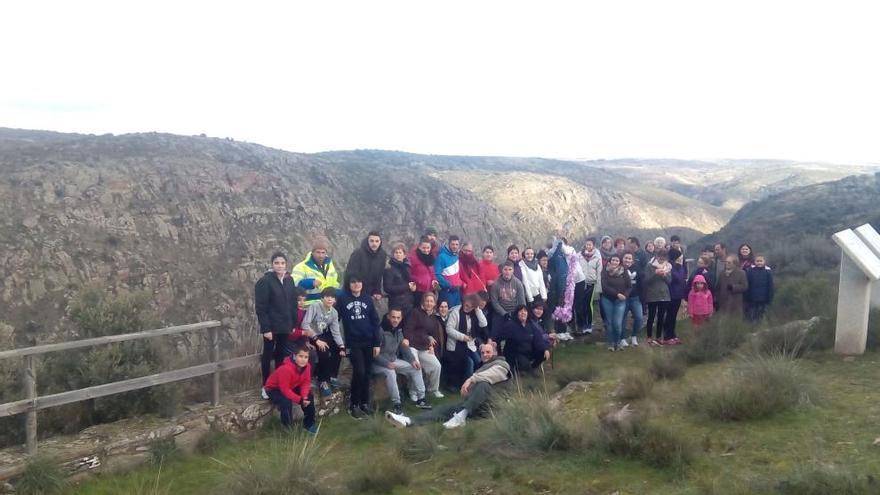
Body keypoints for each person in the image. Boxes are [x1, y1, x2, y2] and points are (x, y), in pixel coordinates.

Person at [385, 343, 511, 430]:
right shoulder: (481, 368)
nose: (485, 355)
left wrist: (470, 380)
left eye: (488, 352)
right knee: (442, 410)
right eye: (482, 352)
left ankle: (462, 415)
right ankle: (408, 421)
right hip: (477, 406)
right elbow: (471, 391)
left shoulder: (502, 364)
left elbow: (491, 376)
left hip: (494, 407)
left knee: (483, 384)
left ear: (495, 353)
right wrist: (468, 391)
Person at [336, 275, 382, 419]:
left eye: (359, 281)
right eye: (353, 282)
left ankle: (364, 403)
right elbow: (335, 318)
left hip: (368, 341)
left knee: (368, 372)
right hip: (353, 343)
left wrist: (376, 343)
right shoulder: (343, 300)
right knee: (359, 372)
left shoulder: (367, 299)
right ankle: (354, 405)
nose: (356, 284)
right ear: (349, 284)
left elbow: (375, 322)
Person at [255, 252, 300, 393]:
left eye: (282, 263)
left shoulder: (289, 280)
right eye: (277, 263)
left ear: (286, 264)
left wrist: (292, 323)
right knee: (268, 355)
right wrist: (266, 328)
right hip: (271, 326)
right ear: (272, 264)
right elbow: (261, 307)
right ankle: (266, 386)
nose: (280, 266)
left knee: (281, 355)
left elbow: (293, 304)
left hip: (285, 326)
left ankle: (280, 383)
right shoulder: (265, 281)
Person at [373, 308, 431, 414]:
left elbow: (403, 347)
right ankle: (397, 405)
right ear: (388, 317)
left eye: (398, 318)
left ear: (401, 318)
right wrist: (386, 364)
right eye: (393, 317)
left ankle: (421, 399)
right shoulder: (379, 330)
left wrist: (412, 360)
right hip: (377, 363)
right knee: (390, 372)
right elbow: (374, 354)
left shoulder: (398, 330)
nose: (395, 320)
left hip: (393, 360)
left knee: (415, 367)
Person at [264, 346, 317, 433]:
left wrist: (304, 397)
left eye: (306, 357)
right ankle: (287, 427)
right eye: (300, 356)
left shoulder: (307, 367)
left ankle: (309, 424)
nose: (303, 359)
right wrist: (300, 400)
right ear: (294, 356)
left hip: (292, 385)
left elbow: (306, 382)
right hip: (273, 389)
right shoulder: (285, 369)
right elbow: (284, 390)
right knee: (285, 401)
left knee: (309, 396)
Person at [302, 287, 344, 396]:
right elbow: (305, 325)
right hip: (311, 335)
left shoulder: (334, 312)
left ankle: (332, 376)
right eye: (327, 297)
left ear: (335, 300)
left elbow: (335, 331)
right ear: (322, 298)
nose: (330, 299)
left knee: (337, 349)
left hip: (322, 335)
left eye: (332, 297)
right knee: (323, 350)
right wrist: (316, 339)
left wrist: (341, 346)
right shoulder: (315, 306)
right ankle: (322, 380)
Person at [403, 293, 445, 399]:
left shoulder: (434, 318)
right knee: (416, 367)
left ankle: (433, 389)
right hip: (412, 345)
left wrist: (432, 347)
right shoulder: (415, 313)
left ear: (434, 303)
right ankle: (413, 392)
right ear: (423, 302)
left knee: (436, 366)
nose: (429, 303)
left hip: (425, 347)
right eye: (427, 301)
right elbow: (408, 331)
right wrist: (426, 338)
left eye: (431, 301)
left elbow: (434, 336)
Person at [445, 295, 489, 386]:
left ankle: (477, 381)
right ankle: (466, 385)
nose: (466, 308)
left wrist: (477, 310)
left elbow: (484, 323)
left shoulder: (475, 313)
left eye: (470, 307)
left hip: (469, 344)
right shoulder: (456, 312)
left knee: (478, 360)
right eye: (466, 305)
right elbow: (449, 329)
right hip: (456, 344)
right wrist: (462, 337)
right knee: (470, 363)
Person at [492, 305, 550, 373]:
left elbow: (538, 339)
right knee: (524, 364)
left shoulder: (531, 324)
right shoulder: (510, 325)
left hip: (529, 351)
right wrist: (494, 342)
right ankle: (525, 369)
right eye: (520, 311)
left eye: (525, 311)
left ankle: (531, 368)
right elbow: (499, 336)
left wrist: (545, 349)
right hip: (515, 353)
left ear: (528, 313)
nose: (523, 313)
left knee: (543, 354)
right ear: (516, 313)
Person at [292, 236, 341, 306]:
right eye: (318, 252)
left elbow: (334, 284)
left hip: (328, 306)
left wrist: (342, 293)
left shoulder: (330, 266)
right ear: (312, 252)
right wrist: (310, 283)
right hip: (309, 307)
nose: (321, 255)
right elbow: (294, 285)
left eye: (323, 252)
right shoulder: (300, 267)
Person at [345, 231, 388, 305]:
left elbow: (379, 275)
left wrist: (377, 291)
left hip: (371, 293)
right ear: (367, 241)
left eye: (377, 241)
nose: (374, 244)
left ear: (380, 242)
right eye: (371, 241)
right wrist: (355, 291)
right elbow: (350, 274)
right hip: (356, 291)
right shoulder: (358, 253)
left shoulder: (382, 255)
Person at [600, 254, 631, 352]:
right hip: (607, 300)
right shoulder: (605, 271)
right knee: (609, 323)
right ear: (610, 261)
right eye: (613, 260)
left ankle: (618, 342)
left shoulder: (624, 271)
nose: (614, 262)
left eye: (617, 260)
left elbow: (629, 286)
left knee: (617, 323)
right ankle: (611, 344)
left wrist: (625, 295)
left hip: (620, 301)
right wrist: (617, 294)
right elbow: (604, 286)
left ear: (619, 262)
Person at [489, 262, 527, 335]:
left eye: (510, 269)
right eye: (505, 269)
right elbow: (494, 302)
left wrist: (522, 313)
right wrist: (504, 313)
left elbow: (522, 301)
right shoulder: (496, 284)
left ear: (513, 271)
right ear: (502, 270)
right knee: (495, 334)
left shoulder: (518, 283)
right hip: (500, 312)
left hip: (514, 311)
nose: (507, 272)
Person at [644, 249, 672, 346]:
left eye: (664, 257)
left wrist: (664, 275)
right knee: (651, 316)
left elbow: (669, 281)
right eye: (660, 256)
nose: (661, 259)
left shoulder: (668, 267)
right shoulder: (649, 265)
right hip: (652, 294)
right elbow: (646, 280)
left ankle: (659, 337)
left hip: (664, 295)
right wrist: (655, 273)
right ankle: (649, 336)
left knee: (661, 316)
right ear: (656, 256)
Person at [383, 242, 416, 316]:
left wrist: (413, 287)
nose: (398, 254)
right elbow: (387, 288)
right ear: (393, 254)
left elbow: (410, 280)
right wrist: (407, 286)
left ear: (404, 255)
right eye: (396, 252)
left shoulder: (407, 267)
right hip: (396, 303)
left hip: (408, 302)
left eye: (400, 252)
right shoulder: (389, 269)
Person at [663, 248, 688, 345]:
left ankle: (672, 334)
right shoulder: (669, 267)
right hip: (671, 294)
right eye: (680, 257)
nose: (681, 259)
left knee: (674, 316)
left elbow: (683, 277)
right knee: (670, 315)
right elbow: (677, 278)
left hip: (679, 294)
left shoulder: (680, 266)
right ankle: (666, 336)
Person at [577, 238, 602, 334]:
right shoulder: (579, 255)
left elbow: (599, 271)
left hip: (592, 283)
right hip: (581, 282)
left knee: (588, 304)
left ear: (593, 245)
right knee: (581, 304)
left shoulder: (597, 256)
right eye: (587, 244)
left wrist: (599, 286)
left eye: (590, 244)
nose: (588, 246)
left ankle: (589, 324)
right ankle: (582, 324)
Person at [620, 252, 643, 347]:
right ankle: (622, 338)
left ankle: (634, 336)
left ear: (633, 260)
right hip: (623, 298)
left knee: (639, 317)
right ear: (622, 259)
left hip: (635, 297)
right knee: (623, 319)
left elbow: (641, 282)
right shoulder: (619, 268)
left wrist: (642, 296)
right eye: (626, 258)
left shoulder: (637, 268)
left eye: (630, 258)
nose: (627, 260)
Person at [409, 236, 439, 305]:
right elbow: (408, 273)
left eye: (428, 248)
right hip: (418, 291)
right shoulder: (413, 258)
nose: (426, 250)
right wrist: (418, 281)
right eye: (424, 248)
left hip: (430, 290)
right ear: (419, 247)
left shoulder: (431, 257)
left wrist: (434, 280)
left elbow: (432, 272)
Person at [435, 235, 464, 308]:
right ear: (449, 244)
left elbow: (457, 273)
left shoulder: (456, 256)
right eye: (453, 244)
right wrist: (449, 285)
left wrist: (460, 283)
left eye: (457, 244)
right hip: (446, 291)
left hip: (456, 291)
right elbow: (437, 274)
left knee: (456, 313)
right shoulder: (441, 257)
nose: (455, 246)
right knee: (448, 313)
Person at [746, 255, 774, 321]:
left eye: (761, 261)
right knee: (752, 314)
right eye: (757, 261)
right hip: (752, 297)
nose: (759, 263)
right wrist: (747, 296)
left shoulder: (768, 272)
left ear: (764, 262)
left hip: (764, 298)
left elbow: (770, 286)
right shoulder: (750, 271)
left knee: (762, 314)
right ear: (754, 262)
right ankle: (752, 326)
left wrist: (770, 298)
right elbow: (748, 284)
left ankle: (761, 325)